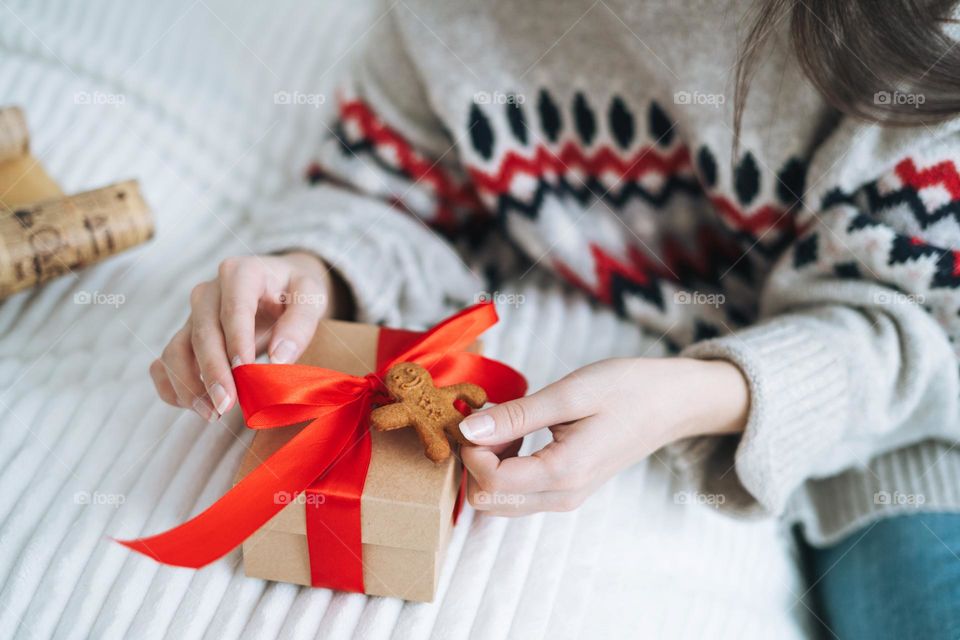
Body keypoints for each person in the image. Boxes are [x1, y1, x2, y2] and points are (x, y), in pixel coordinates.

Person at [150, 1, 960, 636]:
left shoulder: (923, 37)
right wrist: (314, 269)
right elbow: (391, 189)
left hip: (916, 445)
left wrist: (701, 395)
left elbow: (919, 325)